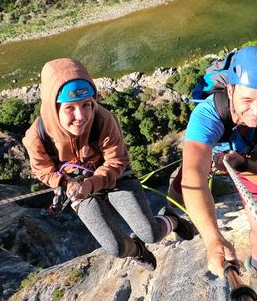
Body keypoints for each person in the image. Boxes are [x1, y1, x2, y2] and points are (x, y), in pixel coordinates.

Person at [23, 58, 194, 270]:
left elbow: (116, 161)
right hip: (75, 187)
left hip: (115, 177)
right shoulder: (37, 137)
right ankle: (137, 250)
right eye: (70, 108)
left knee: (150, 233)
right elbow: (43, 170)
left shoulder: (102, 119)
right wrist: (65, 183)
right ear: (53, 108)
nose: (81, 116)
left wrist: (91, 184)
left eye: (87, 105)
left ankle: (172, 220)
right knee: (116, 247)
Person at [169, 46, 257, 296]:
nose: (256, 112)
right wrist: (213, 237)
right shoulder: (208, 114)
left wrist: (244, 166)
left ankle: (255, 265)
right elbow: (194, 178)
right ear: (230, 89)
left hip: (247, 162)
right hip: (211, 156)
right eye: (247, 100)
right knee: (179, 189)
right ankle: (178, 219)